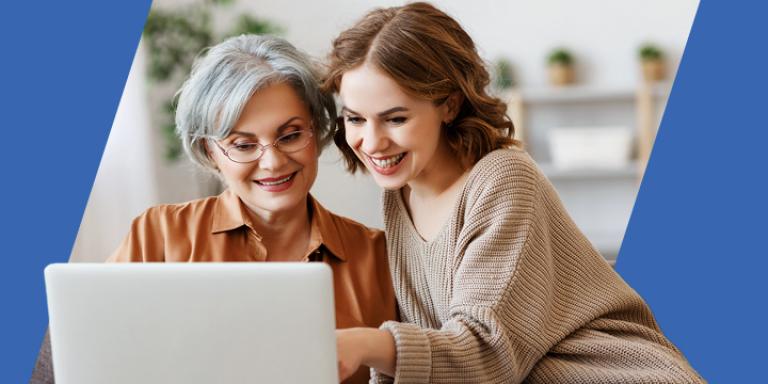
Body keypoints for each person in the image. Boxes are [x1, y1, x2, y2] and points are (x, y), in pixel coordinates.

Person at [324, 3, 704, 383]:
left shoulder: (502, 179)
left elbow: (486, 353)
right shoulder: (399, 195)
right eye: (355, 118)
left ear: (449, 105)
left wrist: (365, 344)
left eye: (395, 118)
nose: (371, 142)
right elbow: (432, 357)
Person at [30, 35, 397, 384]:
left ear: (316, 132)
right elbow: (99, 357)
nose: (271, 162)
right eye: (242, 145)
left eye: (290, 135)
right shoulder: (159, 235)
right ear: (210, 153)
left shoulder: (378, 255)